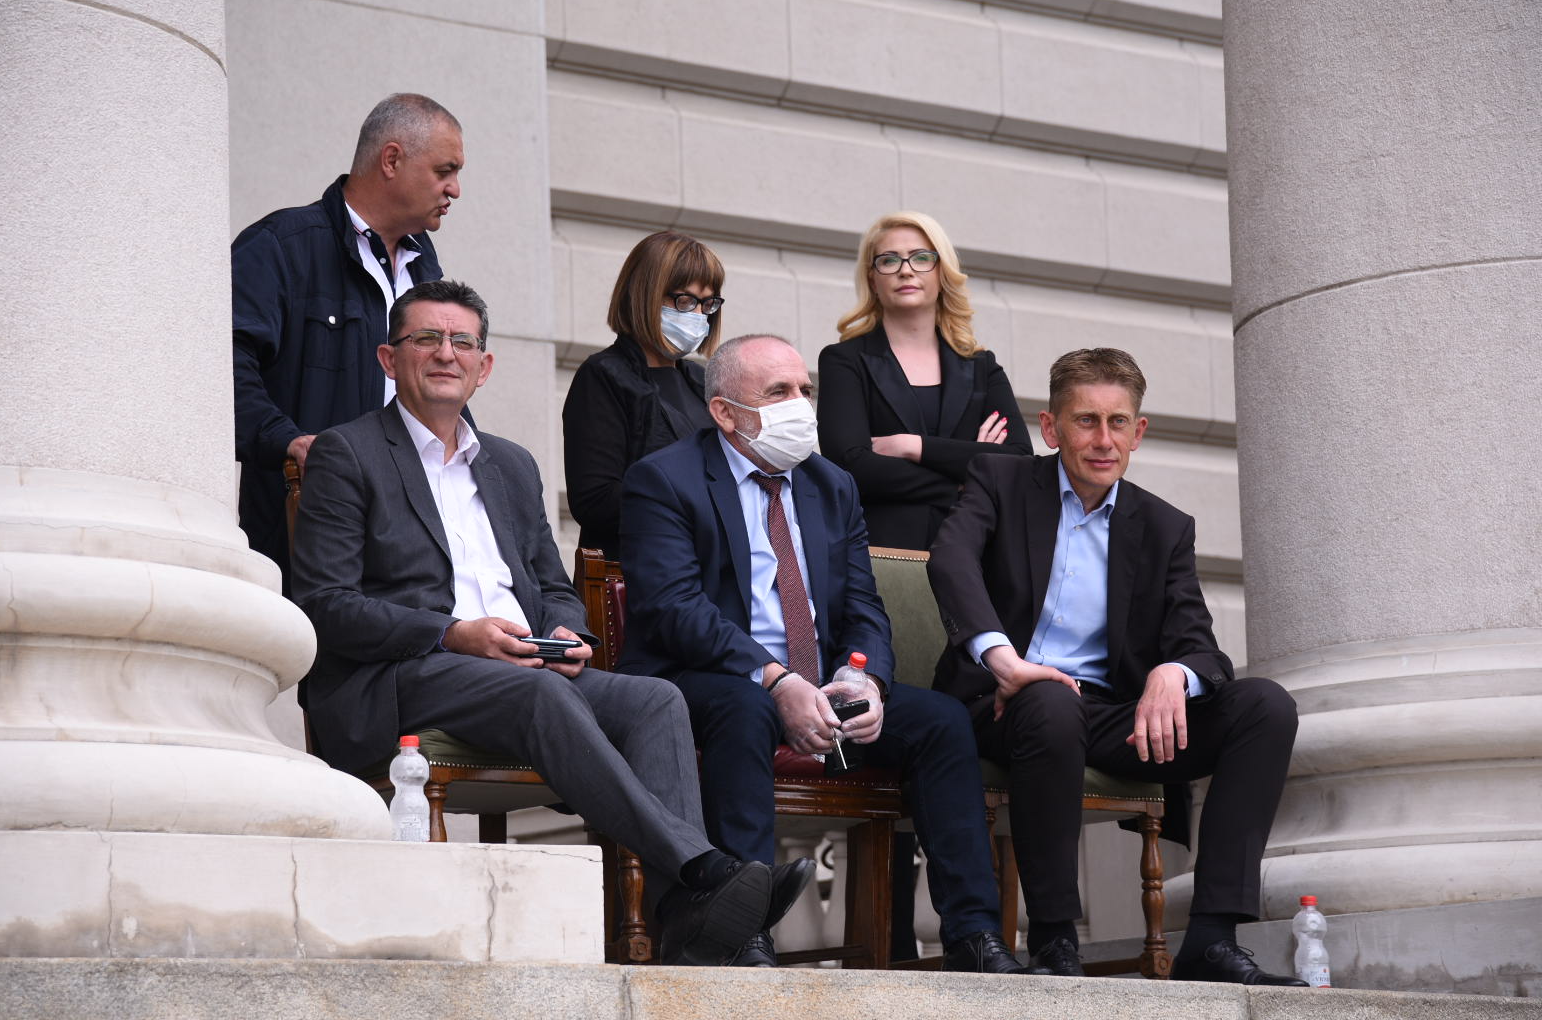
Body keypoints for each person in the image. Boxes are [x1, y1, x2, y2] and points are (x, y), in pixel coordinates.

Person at [290, 281, 812, 966]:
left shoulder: (509, 463)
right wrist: (454, 633)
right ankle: (703, 871)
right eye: (426, 339)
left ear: (485, 365)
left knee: (656, 699)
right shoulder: (346, 453)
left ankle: (683, 921)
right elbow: (326, 604)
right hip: (405, 673)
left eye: (463, 342)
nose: (446, 354)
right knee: (541, 692)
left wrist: (571, 635)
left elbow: (554, 588)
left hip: (522, 662)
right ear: (390, 359)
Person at [616, 334, 1043, 975]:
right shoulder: (664, 479)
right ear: (725, 412)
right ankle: (743, 931)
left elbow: (862, 607)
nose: (800, 406)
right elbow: (673, 608)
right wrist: (776, 679)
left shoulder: (831, 484)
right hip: (710, 680)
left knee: (940, 723)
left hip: (819, 683)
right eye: (778, 393)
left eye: (804, 391)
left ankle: (974, 936)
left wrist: (862, 678)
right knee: (744, 708)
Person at [928, 347, 1305, 985]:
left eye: (1119, 422)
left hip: (1110, 714)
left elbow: (1200, 645)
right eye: (1086, 421)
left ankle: (1211, 939)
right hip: (1006, 701)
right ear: (1050, 428)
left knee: (1265, 707)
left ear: (1138, 432)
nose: (1103, 440)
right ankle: (1054, 939)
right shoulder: (1001, 480)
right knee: (1050, 703)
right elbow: (950, 562)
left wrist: (1173, 675)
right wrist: (1005, 662)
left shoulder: (1162, 526)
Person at [234, 92, 463, 588]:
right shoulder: (281, 248)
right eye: (444, 171)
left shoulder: (426, 269)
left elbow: (442, 389)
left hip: (417, 540)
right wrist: (286, 441)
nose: (456, 189)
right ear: (392, 160)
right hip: (309, 536)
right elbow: (220, 367)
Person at [818, 211, 1032, 550]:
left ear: (941, 271)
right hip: (881, 556)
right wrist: (967, 482)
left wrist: (912, 446)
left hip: (976, 557)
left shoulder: (981, 367)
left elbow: (1019, 463)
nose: (905, 269)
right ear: (873, 279)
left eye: (921, 258)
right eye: (889, 260)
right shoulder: (844, 362)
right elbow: (851, 466)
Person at [562, 231, 725, 559]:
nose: (697, 316)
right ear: (645, 295)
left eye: (707, 304)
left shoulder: (702, 380)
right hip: (642, 575)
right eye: (684, 301)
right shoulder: (604, 375)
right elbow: (595, 501)